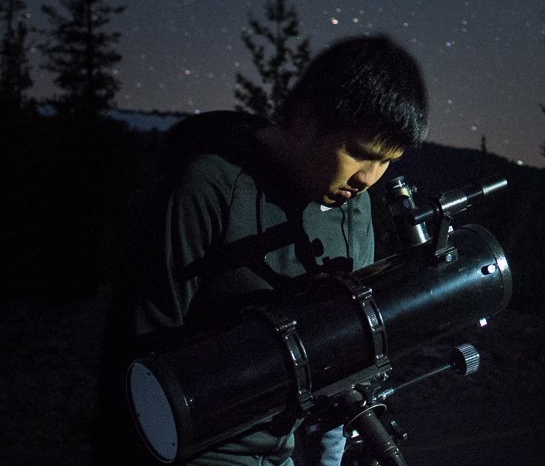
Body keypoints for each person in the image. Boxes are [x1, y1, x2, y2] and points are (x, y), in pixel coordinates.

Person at [93, 34, 429, 466]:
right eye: (360, 153)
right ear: (307, 119)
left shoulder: (354, 207)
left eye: (386, 161)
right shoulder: (208, 187)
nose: (369, 177)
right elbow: (136, 353)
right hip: (199, 451)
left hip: (280, 451)